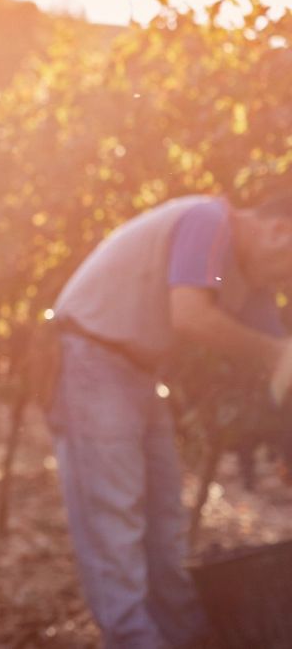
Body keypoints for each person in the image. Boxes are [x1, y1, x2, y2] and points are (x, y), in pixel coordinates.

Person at [47, 192, 292, 649]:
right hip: (92, 358)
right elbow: (191, 317)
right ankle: (134, 640)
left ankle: (186, 637)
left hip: (139, 373)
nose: (287, 281)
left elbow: (279, 377)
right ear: (280, 231)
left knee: (164, 518)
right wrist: (278, 353)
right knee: (114, 518)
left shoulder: (250, 279)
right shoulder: (209, 220)